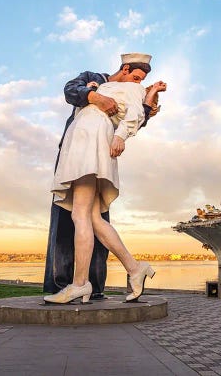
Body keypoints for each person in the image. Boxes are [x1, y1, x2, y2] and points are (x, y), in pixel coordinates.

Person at [44, 53, 166, 304]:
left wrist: (122, 134)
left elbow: (135, 115)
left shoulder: (131, 88)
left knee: (80, 215)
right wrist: (93, 93)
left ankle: (80, 284)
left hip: (90, 139)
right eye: (135, 76)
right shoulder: (95, 80)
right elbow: (71, 90)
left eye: (141, 80)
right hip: (81, 140)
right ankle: (134, 268)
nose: (137, 82)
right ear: (124, 68)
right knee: (90, 217)